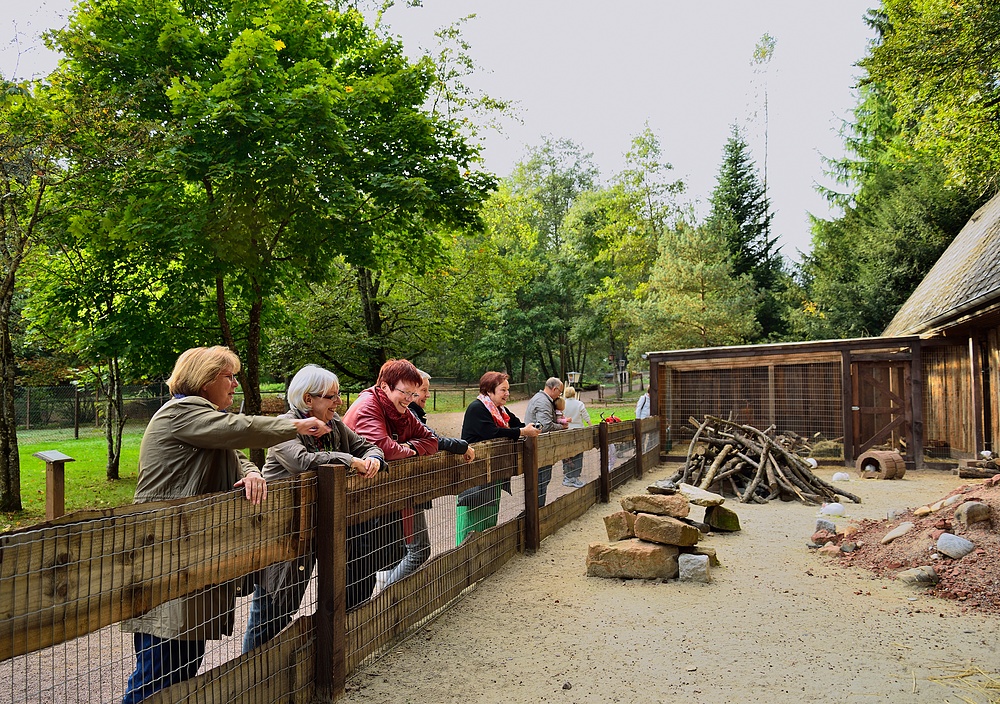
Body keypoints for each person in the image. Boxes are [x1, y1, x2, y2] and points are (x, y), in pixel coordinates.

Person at [120, 346, 330, 704]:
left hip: (190, 562)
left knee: (182, 671)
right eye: (228, 376)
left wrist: (251, 476)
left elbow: (239, 456)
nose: (235, 384)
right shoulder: (183, 413)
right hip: (166, 559)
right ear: (204, 380)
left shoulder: (207, 422)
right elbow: (239, 429)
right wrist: (293, 425)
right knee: (157, 677)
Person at [242, 364, 384, 653]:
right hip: (281, 535)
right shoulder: (284, 427)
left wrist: (374, 460)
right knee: (272, 608)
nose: (338, 402)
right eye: (331, 396)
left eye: (338, 395)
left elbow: (369, 446)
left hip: (314, 529)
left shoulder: (337, 427)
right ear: (308, 399)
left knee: (289, 605)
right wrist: (348, 460)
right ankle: (251, 672)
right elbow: (302, 462)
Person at [370, 369, 475, 596]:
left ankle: (390, 587)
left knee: (405, 549)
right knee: (417, 549)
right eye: (423, 390)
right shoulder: (406, 414)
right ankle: (387, 598)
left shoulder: (409, 414)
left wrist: (415, 447)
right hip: (404, 490)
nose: (427, 395)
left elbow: (431, 440)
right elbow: (428, 442)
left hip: (409, 489)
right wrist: (460, 445)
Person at [342, 359, 438, 603]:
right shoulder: (368, 406)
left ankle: (371, 619)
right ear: (385, 386)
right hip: (354, 503)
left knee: (370, 567)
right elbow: (384, 448)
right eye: (405, 392)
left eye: (413, 393)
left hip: (377, 500)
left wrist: (407, 447)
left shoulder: (399, 411)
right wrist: (408, 449)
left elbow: (431, 440)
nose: (409, 399)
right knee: (357, 573)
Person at [458, 371, 541, 544]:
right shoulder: (477, 408)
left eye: (507, 390)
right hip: (476, 475)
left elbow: (516, 424)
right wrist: (522, 432)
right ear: (489, 391)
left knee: (489, 518)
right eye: (503, 390)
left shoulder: (500, 410)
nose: (507, 394)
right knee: (472, 521)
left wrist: (529, 428)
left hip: (493, 472)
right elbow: (492, 432)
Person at [524, 377, 566, 507]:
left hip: (539, 448)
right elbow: (545, 426)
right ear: (554, 389)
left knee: (542, 481)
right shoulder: (543, 401)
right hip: (539, 449)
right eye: (560, 392)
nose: (560, 395)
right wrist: (562, 427)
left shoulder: (541, 398)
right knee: (541, 481)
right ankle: (537, 510)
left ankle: (537, 509)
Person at [561, 386, 591, 488]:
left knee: (566, 453)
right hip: (578, 431)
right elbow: (586, 416)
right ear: (574, 394)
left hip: (566, 431)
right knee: (578, 453)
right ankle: (575, 475)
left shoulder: (562, 403)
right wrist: (590, 425)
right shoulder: (579, 404)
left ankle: (567, 472)